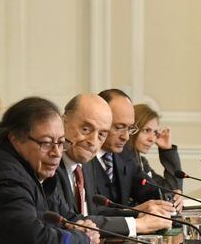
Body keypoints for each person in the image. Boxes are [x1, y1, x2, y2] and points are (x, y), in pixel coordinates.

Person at [0, 96, 96, 244]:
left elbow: (67, 219)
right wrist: (84, 239)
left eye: (61, 143)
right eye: (47, 143)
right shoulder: (4, 177)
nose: (56, 153)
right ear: (15, 139)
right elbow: (34, 243)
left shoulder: (37, 171)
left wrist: (83, 226)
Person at [57, 92, 171, 236]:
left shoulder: (84, 162)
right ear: (62, 121)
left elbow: (92, 212)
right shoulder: (51, 163)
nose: (93, 141)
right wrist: (137, 224)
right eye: (85, 129)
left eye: (101, 134)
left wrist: (136, 214)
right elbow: (68, 220)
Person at [89, 88, 173, 209]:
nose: (126, 137)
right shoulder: (82, 157)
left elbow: (153, 192)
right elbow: (89, 214)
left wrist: (172, 198)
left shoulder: (125, 156)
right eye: (119, 127)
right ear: (100, 120)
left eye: (129, 128)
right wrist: (134, 212)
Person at [131, 102, 184, 196]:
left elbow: (168, 192)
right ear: (131, 129)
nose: (151, 139)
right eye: (146, 130)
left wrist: (167, 150)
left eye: (155, 132)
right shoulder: (123, 161)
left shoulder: (141, 162)